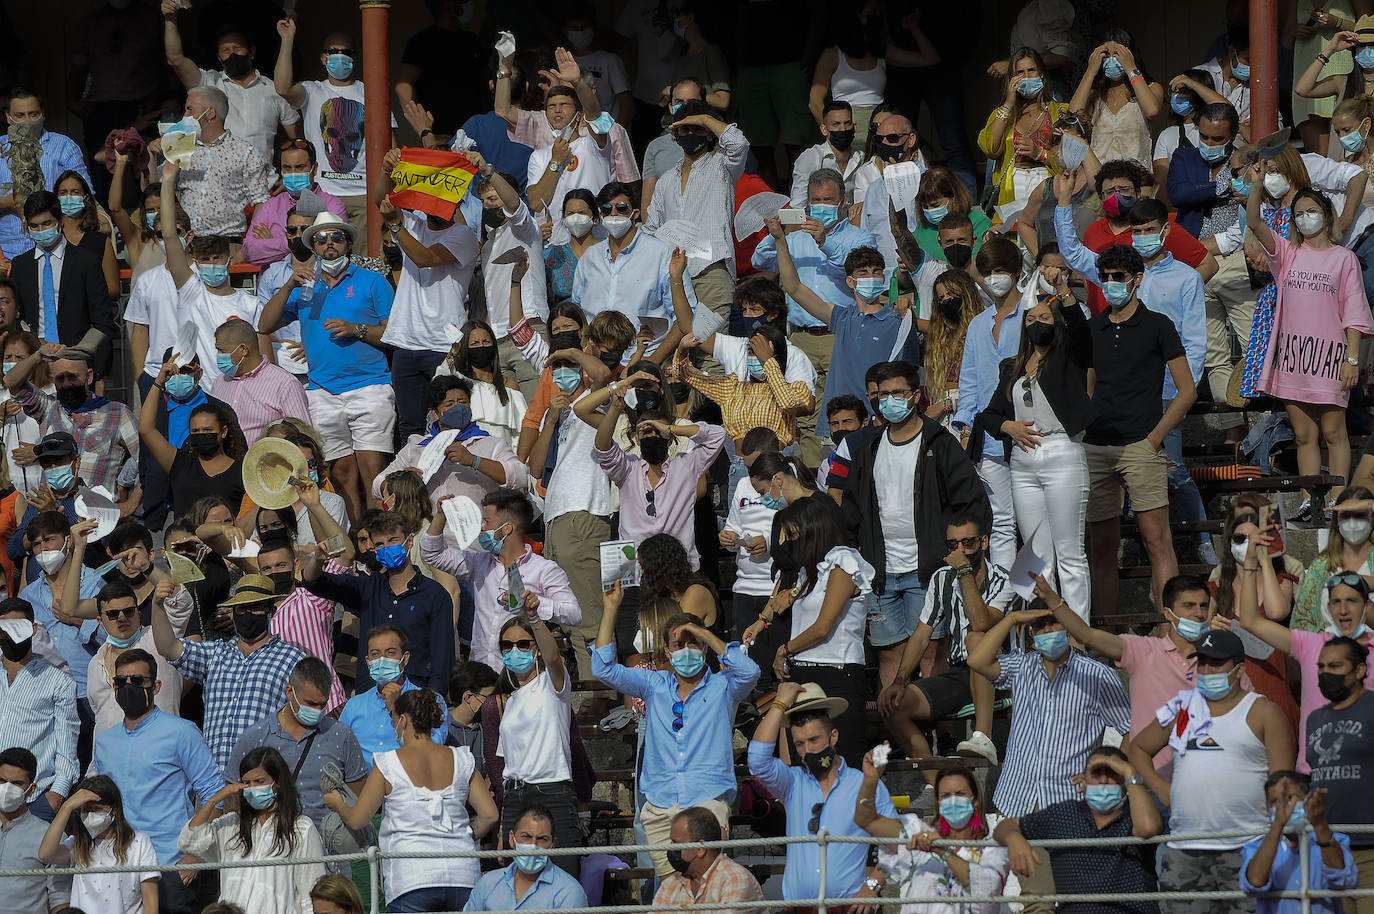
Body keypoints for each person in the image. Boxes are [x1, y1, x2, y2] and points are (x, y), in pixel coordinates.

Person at [842, 360, 990, 689]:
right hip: (881, 572)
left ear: (916, 395)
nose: (889, 400)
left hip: (928, 571)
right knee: (890, 656)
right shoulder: (869, 446)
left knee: (930, 654)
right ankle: (899, 735)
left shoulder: (940, 443)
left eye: (898, 392)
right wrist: (856, 559)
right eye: (882, 394)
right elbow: (851, 509)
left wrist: (962, 554)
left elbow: (972, 503)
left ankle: (933, 733)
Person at [1127, 628, 1296, 913]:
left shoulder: (1264, 711)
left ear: (1239, 669)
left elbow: (1283, 783)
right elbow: (1137, 748)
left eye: (1215, 663)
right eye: (1202, 662)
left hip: (1247, 847)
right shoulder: (1181, 707)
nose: (1206, 670)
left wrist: (1276, 839)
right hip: (1184, 850)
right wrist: (1160, 788)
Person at [594, 588, 758, 877]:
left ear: (704, 648)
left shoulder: (724, 688)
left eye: (693, 643)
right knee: (671, 890)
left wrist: (703, 632)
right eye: (678, 645)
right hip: (660, 802)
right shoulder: (654, 684)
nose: (686, 650)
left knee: (706, 888)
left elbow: (749, 671)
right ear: (667, 652)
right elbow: (603, 669)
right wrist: (610, 610)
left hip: (706, 799)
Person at [1076, 244, 1195, 615]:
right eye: (1105, 277)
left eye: (1118, 277)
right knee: (1101, 547)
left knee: (1158, 540)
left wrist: (1154, 438)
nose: (1111, 284)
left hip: (1141, 446)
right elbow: (1087, 389)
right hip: (1096, 447)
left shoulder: (1159, 326)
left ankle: (1169, 632)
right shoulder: (1091, 328)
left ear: (1136, 279)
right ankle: (1106, 637)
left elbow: (1187, 390)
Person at [259, 210, 396, 521]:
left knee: (373, 470)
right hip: (322, 390)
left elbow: (393, 334)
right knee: (341, 472)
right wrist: (287, 288)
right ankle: (355, 536)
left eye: (336, 237)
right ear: (314, 246)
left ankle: (379, 534)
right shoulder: (307, 287)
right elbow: (264, 325)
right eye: (321, 239)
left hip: (369, 384)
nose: (329, 243)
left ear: (347, 243)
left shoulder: (372, 282)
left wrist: (356, 329)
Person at [1243, 175, 1370, 499]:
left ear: (1326, 214)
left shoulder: (1345, 258)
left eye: (1311, 210)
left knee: (1333, 433)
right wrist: (1256, 185)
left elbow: (1354, 312)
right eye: (1298, 213)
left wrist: (1351, 359)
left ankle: (1337, 500)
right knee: (1303, 435)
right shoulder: (1286, 252)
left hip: (1330, 358)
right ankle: (1307, 501)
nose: (1304, 218)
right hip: (1293, 358)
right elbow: (1255, 221)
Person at [326, 687, 498, 912]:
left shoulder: (388, 764)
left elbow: (358, 820)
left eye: (393, 718)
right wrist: (463, 833)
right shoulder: (461, 759)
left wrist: (338, 803)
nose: (392, 724)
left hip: (411, 879)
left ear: (403, 720)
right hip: (463, 876)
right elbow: (490, 815)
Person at [967, 580, 1131, 816]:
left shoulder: (1097, 675)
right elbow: (977, 661)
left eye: (1054, 623)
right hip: (1015, 800)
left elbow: (1130, 729)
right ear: (1031, 634)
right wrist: (1011, 619)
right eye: (1040, 626)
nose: (1048, 631)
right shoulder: (1021, 666)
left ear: (1067, 627)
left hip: (1071, 804)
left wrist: (1110, 777)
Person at [979, 289, 1094, 616]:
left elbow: (1082, 333)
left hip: (1061, 452)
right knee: (1037, 554)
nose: (1036, 323)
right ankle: (1049, 627)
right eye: (1030, 318)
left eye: (1044, 318)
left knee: (1070, 552)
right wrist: (1008, 427)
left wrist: (1065, 294)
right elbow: (988, 415)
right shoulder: (1011, 367)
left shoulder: (1068, 356)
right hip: (1023, 460)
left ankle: (1078, 633)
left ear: (1056, 323)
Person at [90, 646, 222, 914]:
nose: (129, 687)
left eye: (138, 681)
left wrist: (195, 856)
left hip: (169, 865)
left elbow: (215, 793)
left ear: (157, 686)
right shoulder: (104, 741)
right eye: (121, 682)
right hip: (118, 865)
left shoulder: (182, 731)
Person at [880, 514, 1016, 771]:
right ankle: (936, 785)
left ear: (984, 542)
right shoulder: (942, 578)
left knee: (977, 640)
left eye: (968, 542)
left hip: (1001, 673)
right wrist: (899, 680)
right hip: (960, 673)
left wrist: (964, 571)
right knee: (893, 704)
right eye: (953, 545)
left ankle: (983, 736)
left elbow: (980, 622)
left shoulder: (1005, 580)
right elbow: (921, 635)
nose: (960, 550)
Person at [1238, 527, 1374, 772]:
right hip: (1315, 774)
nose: (1343, 610)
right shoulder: (1310, 644)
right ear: (1328, 608)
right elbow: (1250, 620)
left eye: (1352, 601)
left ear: (1366, 606)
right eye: (1336, 602)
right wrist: (1250, 561)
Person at [747, 682, 894, 908]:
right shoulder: (792, 782)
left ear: (833, 736)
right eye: (799, 744)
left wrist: (872, 886)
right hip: (799, 909)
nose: (808, 751)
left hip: (847, 908)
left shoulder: (864, 783)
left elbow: (896, 842)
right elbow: (757, 760)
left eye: (814, 740)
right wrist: (779, 704)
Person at [374, 146, 481, 441]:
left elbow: (425, 258)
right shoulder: (415, 224)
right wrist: (386, 170)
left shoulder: (464, 236)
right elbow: (379, 200)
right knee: (409, 427)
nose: (435, 203)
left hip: (444, 345)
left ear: (456, 200)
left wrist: (396, 225)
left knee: (452, 421)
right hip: (406, 342)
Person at [151, 573, 306, 772]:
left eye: (256, 607)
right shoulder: (215, 653)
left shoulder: (294, 660)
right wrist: (157, 606)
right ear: (233, 612)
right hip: (212, 781)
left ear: (271, 611)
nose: (248, 613)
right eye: (242, 608)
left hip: (262, 780)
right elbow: (168, 647)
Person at [768, 219, 913, 423]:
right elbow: (794, 288)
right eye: (863, 273)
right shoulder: (842, 317)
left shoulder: (898, 318)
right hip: (839, 423)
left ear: (883, 279)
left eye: (876, 272)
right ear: (850, 282)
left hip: (879, 422)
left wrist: (908, 308)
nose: (870, 277)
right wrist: (780, 240)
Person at [422, 486, 578, 673]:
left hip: (521, 673)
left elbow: (574, 614)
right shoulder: (479, 562)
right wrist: (440, 516)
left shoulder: (544, 569)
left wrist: (534, 605)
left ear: (507, 528)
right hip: (481, 673)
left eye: (487, 521)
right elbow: (433, 555)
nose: (482, 527)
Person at [300, 510, 453, 695]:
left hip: (415, 701)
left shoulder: (435, 595)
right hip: (369, 698)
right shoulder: (367, 588)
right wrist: (317, 560)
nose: (387, 547)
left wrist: (433, 706)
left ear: (409, 541)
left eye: (393, 540)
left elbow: (442, 661)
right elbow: (314, 582)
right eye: (380, 544)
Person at [994, 747, 1163, 914]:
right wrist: (1013, 838)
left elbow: (1148, 829)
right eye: (1096, 772)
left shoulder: (1137, 814)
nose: (1103, 780)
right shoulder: (1063, 815)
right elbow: (1004, 827)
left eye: (1113, 772)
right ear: (1083, 779)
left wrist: (1130, 773)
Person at [483, 606, 584, 875]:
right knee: (520, 880)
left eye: (523, 643)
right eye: (507, 645)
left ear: (535, 647)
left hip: (553, 792)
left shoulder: (553, 685)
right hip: (515, 796)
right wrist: (505, 820)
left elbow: (553, 658)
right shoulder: (510, 701)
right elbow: (508, 768)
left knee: (564, 876)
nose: (514, 650)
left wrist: (535, 619)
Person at [274, 18, 395, 235]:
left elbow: (391, 147)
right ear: (323, 58)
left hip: (364, 194)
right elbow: (282, 88)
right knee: (323, 259)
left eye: (346, 51)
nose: (339, 56)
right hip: (322, 193)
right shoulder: (312, 91)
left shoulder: (372, 93)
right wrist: (287, 39)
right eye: (333, 51)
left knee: (363, 261)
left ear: (354, 58)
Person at [591, 378, 726, 570]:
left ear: (670, 441)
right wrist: (614, 408)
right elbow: (602, 448)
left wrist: (670, 428)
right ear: (638, 440)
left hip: (678, 567)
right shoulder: (627, 469)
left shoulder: (686, 467)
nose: (653, 436)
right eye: (646, 433)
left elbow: (718, 435)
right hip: (635, 569)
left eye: (658, 432)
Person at [180, 746, 326, 914]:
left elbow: (311, 892)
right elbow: (189, 843)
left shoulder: (301, 828)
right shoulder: (231, 825)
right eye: (247, 783)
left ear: (277, 784)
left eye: (259, 782)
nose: (253, 788)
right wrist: (214, 800)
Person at [856, 758, 1009, 913]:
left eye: (960, 794)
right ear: (938, 801)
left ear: (975, 800)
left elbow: (986, 892)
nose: (953, 801)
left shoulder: (993, 847)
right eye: (946, 795)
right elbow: (866, 821)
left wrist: (944, 851)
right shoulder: (919, 833)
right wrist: (870, 781)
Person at [643, 99, 748, 318]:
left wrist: (703, 118)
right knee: (679, 350)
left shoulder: (722, 166)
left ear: (709, 133)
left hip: (711, 272)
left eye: (697, 129)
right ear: (676, 134)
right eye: (685, 128)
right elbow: (652, 228)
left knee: (709, 349)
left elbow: (739, 144)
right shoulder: (666, 180)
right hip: (674, 277)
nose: (690, 133)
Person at [162, 8, 302, 170]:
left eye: (237, 48)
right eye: (225, 50)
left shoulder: (274, 90)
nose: (232, 54)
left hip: (264, 184)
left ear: (252, 52)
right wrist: (170, 18)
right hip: (219, 183)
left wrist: (288, 176)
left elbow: (297, 140)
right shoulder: (208, 83)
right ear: (219, 58)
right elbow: (175, 59)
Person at [7, 350, 138, 497]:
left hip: (97, 514)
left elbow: (145, 460)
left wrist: (131, 502)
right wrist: (38, 356)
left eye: (72, 377)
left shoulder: (118, 413)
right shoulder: (48, 408)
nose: (67, 384)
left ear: (89, 377)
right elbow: (12, 383)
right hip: (52, 512)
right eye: (60, 378)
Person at [1305, 637, 1374, 907]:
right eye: (1321, 667)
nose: (1325, 674)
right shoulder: (1314, 719)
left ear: (1359, 671)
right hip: (1327, 850)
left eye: (1335, 666)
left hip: (1369, 849)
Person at [9, 191, 115, 364]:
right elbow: (17, 317)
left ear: (60, 222)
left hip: (76, 358)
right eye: (34, 226)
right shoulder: (21, 266)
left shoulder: (86, 262)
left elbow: (103, 321)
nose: (41, 230)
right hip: (35, 360)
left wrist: (96, 369)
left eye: (46, 223)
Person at [0, 596, 77, 823]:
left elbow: (67, 744)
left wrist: (57, 795)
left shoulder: (58, 682)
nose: (11, 636)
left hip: (34, 800)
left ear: (33, 629)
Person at [37, 774, 159, 914]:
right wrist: (67, 807)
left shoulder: (140, 843)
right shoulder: (77, 844)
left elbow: (151, 904)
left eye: (96, 809)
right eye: (84, 810)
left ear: (114, 809)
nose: (89, 816)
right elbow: (45, 854)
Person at [1242, 771, 1356, 914]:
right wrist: (1278, 825)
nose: (1282, 806)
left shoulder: (1334, 840)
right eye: (1275, 802)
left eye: (1289, 799)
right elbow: (1254, 884)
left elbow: (1344, 880)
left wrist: (1320, 825)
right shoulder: (1255, 847)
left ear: (1306, 800)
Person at [339, 626, 449, 768]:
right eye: (375, 654)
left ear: (405, 658)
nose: (382, 660)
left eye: (390, 653)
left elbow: (432, 751)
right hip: (362, 786)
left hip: (410, 785)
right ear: (368, 661)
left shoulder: (432, 701)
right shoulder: (354, 706)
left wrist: (397, 709)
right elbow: (338, 752)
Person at [172, 86, 273, 240]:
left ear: (210, 113)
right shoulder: (181, 149)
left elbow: (261, 201)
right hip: (187, 244)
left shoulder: (245, 151)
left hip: (227, 244)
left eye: (190, 110)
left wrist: (250, 243)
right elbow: (155, 189)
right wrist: (152, 155)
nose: (185, 116)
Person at [0, 89, 90, 260]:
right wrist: (10, 201)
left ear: (43, 114)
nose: (27, 121)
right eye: (20, 115)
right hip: (8, 252)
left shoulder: (64, 146)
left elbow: (86, 195)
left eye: (33, 114)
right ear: (8, 117)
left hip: (57, 249)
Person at [979, 48, 1070, 217]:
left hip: (1048, 188)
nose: (1026, 77)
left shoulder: (1061, 112)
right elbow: (990, 149)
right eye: (1020, 72)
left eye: (1031, 70)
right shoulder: (1003, 115)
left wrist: (1040, 153)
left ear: (1042, 74)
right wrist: (1009, 102)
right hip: (1012, 191)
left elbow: (1071, 161)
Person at [139, 375, 245, 519]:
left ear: (223, 432)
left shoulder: (242, 472)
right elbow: (147, 429)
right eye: (195, 431)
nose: (201, 435)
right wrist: (158, 383)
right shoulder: (180, 464)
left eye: (207, 430)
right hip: (184, 539)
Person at [86, 581, 182, 736]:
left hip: (159, 750)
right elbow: (99, 715)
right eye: (112, 614)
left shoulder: (158, 640)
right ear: (99, 621)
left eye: (128, 611)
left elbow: (180, 604)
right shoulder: (94, 663)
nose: (122, 618)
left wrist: (148, 569)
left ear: (139, 613)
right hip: (107, 756)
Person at [242, 140, 347, 267]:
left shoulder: (333, 206)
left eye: (300, 167)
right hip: (276, 283)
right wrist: (303, 241)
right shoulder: (269, 207)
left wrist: (273, 243)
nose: (293, 173)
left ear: (315, 169)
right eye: (287, 168)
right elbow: (249, 252)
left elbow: (334, 249)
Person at [208, 318, 311, 446]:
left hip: (264, 463)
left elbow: (303, 437)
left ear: (243, 349)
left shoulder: (285, 384)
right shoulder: (220, 382)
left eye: (222, 350)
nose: (218, 355)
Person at [1070, 31, 1164, 165]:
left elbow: (1152, 110)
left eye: (1117, 54)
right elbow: (1072, 116)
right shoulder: (1094, 95)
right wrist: (1090, 71)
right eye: (1107, 55)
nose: (1112, 59)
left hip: (1137, 178)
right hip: (1101, 179)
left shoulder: (1151, 88)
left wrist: (1130, 68)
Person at [651, 805, 765, 913]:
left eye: (676, 843)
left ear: (700, 849)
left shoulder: (735, 881)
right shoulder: (672, 883)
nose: (670, 848)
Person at [437, 320, 530, 451]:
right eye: (475, 343)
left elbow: (520, 433)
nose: (481, 346)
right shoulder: (459, 381)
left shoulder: (510, 386)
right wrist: (453, 352)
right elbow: (438, 383)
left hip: (501, 460)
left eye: (486, 342)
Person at [0, 746, 72, 912]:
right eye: (2, 781)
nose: (6, 788)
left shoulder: (50, 837)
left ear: (31, 790)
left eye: (17, 783)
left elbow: (60, 897)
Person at [790, 100, 869, 208]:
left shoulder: (862, 159)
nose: (843, 129)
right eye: (836, 124)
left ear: (854, 127)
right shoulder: (810, 158)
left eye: (847, 123)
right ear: (824, 129)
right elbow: (797, 205)